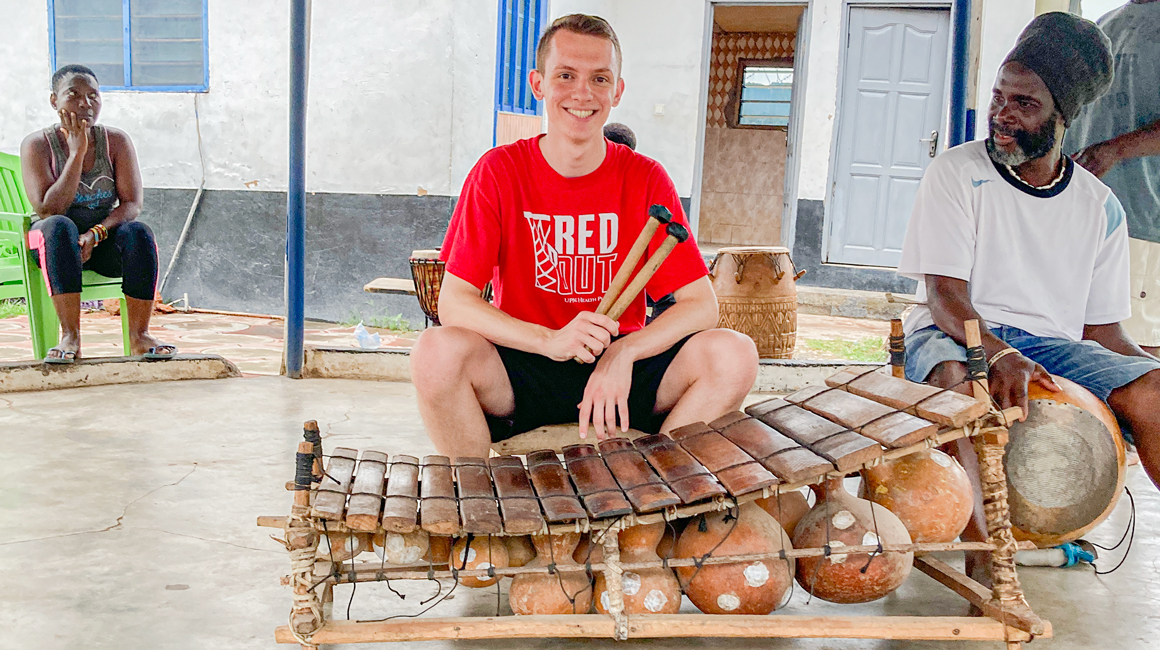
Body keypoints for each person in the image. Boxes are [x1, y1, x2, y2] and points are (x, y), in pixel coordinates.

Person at [410, 14, 757, 459]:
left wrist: (623, 353)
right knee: (434, 352)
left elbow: (701, 305)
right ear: (538, 84)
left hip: (623, 372)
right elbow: (455, 302)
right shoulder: (498, 172)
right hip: (524, 364)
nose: (582, 93)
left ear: (617, 90)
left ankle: (658, 497)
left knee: (734, 354)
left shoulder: (645, 177)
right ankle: (478, 506)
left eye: (599, 78)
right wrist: (548, 341)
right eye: (566, 75)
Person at [897, 12, 1160, 582]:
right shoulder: (955, 173)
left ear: (1064, 115)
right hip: (955, 331)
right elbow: (945, 296)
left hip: (1053, 346)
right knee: (961, 381)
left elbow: (1103, 331)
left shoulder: (1098, 205)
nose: (1003, 113)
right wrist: (996, 352)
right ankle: (987, 564)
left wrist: (1144, 372)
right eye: (999, 96)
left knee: (1158, 392)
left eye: (1025, 103)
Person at [20, 64, 173, 363]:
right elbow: (49, 209)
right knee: (59, 226)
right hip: (54, 244)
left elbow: (131, 204)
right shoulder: (37, 145)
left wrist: (97, 232)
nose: (85, 104)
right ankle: (70, 336)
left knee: (138, 231)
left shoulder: (115, 142)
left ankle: (140, 336)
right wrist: (76, 153)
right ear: (54, 101)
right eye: (73, 94)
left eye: (93, 96)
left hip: (100, 241)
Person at [1065, 0, 1160, 357]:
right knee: (1083, 337)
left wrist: (1115, 150)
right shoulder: (1105, 23)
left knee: (1137, 347)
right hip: (1082, 213)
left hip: (1141, 221)